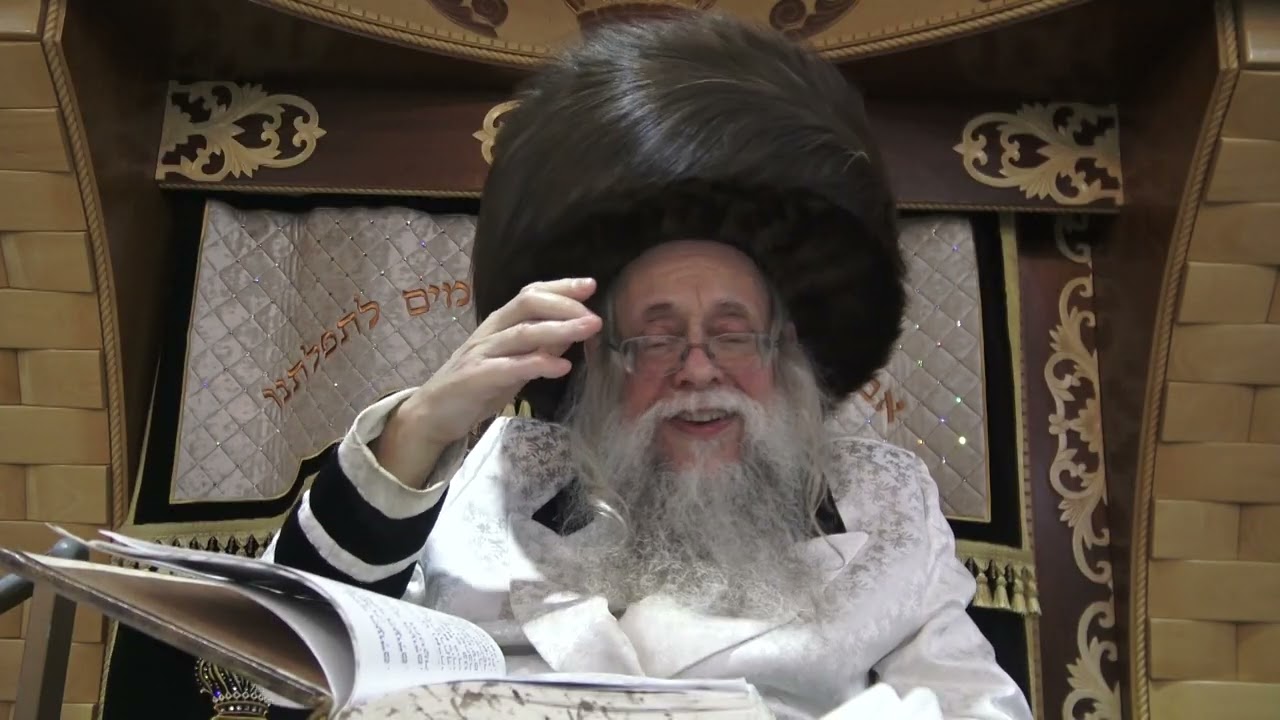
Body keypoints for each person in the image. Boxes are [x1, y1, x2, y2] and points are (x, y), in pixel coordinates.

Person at [263, 13, 1032, 720]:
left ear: (785, 349)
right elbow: (274, 668)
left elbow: (982, 707)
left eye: (732, 334)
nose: (697, 370)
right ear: (599, 359)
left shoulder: (884, 501)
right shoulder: (488, 474)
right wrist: (421, 426)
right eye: (657, 339)